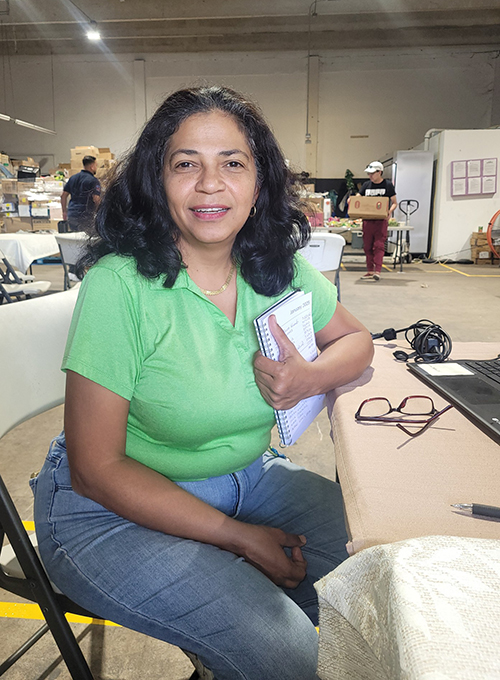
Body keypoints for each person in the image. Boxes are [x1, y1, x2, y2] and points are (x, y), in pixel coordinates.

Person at [31, 86, 373, 680]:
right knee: (285, 651)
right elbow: (96, 468)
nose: (210, 184)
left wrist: (306, 377)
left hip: (248, 478)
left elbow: (357, 341)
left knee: (383, 567)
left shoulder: (275, 264)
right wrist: (238, 538)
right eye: (186, 163)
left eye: (232, 163)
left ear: (259, 181)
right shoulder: (121, 285)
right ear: (156, 182)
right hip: (108, 510)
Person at [358, 160, 397, 281]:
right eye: (369, 174)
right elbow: (358, 198)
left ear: (379, 172)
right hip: (368, 221)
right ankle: (370, 270)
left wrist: (389, 212)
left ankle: (377, 271)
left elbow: (395, 202)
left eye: (372, 173)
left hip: (381, 221)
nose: (370, 176)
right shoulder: (366, 185)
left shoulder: (388, 185)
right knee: (367, 246)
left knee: (379, 246)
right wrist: (353, 200)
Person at [60, 155, 101, 232]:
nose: (96, 168)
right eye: (96, 166)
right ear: (92, 166)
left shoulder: (73, 178)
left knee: (75, 238)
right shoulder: (93, 181)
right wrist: (100, 212)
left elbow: (63, 196)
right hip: (86, 216)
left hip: (72, 215)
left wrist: (64, 211)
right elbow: (96, 199)